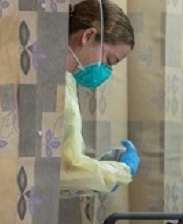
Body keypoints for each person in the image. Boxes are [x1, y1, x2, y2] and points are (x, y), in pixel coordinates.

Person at [61, 0, 140, 193]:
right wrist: (120, 171)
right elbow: (60, 171)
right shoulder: (57, 90)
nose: (106, 71)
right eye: (109, 61)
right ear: (88, 36)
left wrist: (99, 170)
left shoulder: (64, 84)